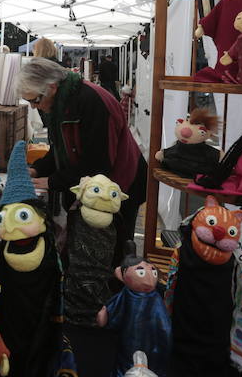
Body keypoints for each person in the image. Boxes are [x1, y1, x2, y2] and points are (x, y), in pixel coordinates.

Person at [15, 57, 147, 268]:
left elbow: (98, 165)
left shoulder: (91, 101)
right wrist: (37, 169)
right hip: (94, 186)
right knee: (86, 252)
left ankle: (113, 295)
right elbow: (60, 148)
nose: (33, 107)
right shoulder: (60, 103)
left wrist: (52, 181)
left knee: (111, 254)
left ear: (52, 87)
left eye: (35, 100)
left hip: (120, 187)